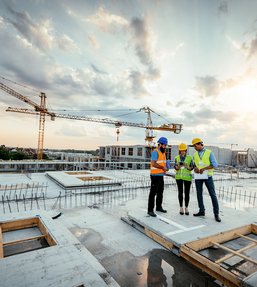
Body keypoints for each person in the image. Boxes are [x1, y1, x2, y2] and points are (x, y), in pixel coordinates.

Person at [192, 138, 221, 222]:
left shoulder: (209, 152)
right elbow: (194, 165)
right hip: (198, 177)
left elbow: (215, 165)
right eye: (193, 146)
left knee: (212, 194)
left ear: (200, 144)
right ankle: (201, 211)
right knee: (199, 194)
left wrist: (204, 168)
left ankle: (216, 214)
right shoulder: (195, 155)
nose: (194, 147)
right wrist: (195, 168)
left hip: (208, 176)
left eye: (195, 145)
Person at [147, 137, 169, 217]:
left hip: (160, 175)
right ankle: (150, 210)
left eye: (166, 145)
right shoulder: (155, 152)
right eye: (164, 145)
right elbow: (153, 163)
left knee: (160, 192)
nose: (165, 147)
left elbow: (162, 163)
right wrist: (162, 167)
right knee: (153, 193)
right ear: (160, 144)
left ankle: (159, 207)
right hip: (154, 176)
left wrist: (166, 167)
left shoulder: (163, 153)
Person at [174, 143, 193, 215]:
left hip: (187, 178)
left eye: (184, 150)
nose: (183, 152)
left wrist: (187, 166)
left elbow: (191, 168)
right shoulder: (177, 158)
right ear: (179, 151)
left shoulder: (189, 158)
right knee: (180, 193)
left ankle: (186, 208)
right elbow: (175, 168)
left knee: (187, 193)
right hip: (179, 178)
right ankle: (181, 207)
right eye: (181, 150)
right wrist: (179, 166)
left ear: (186, 150)